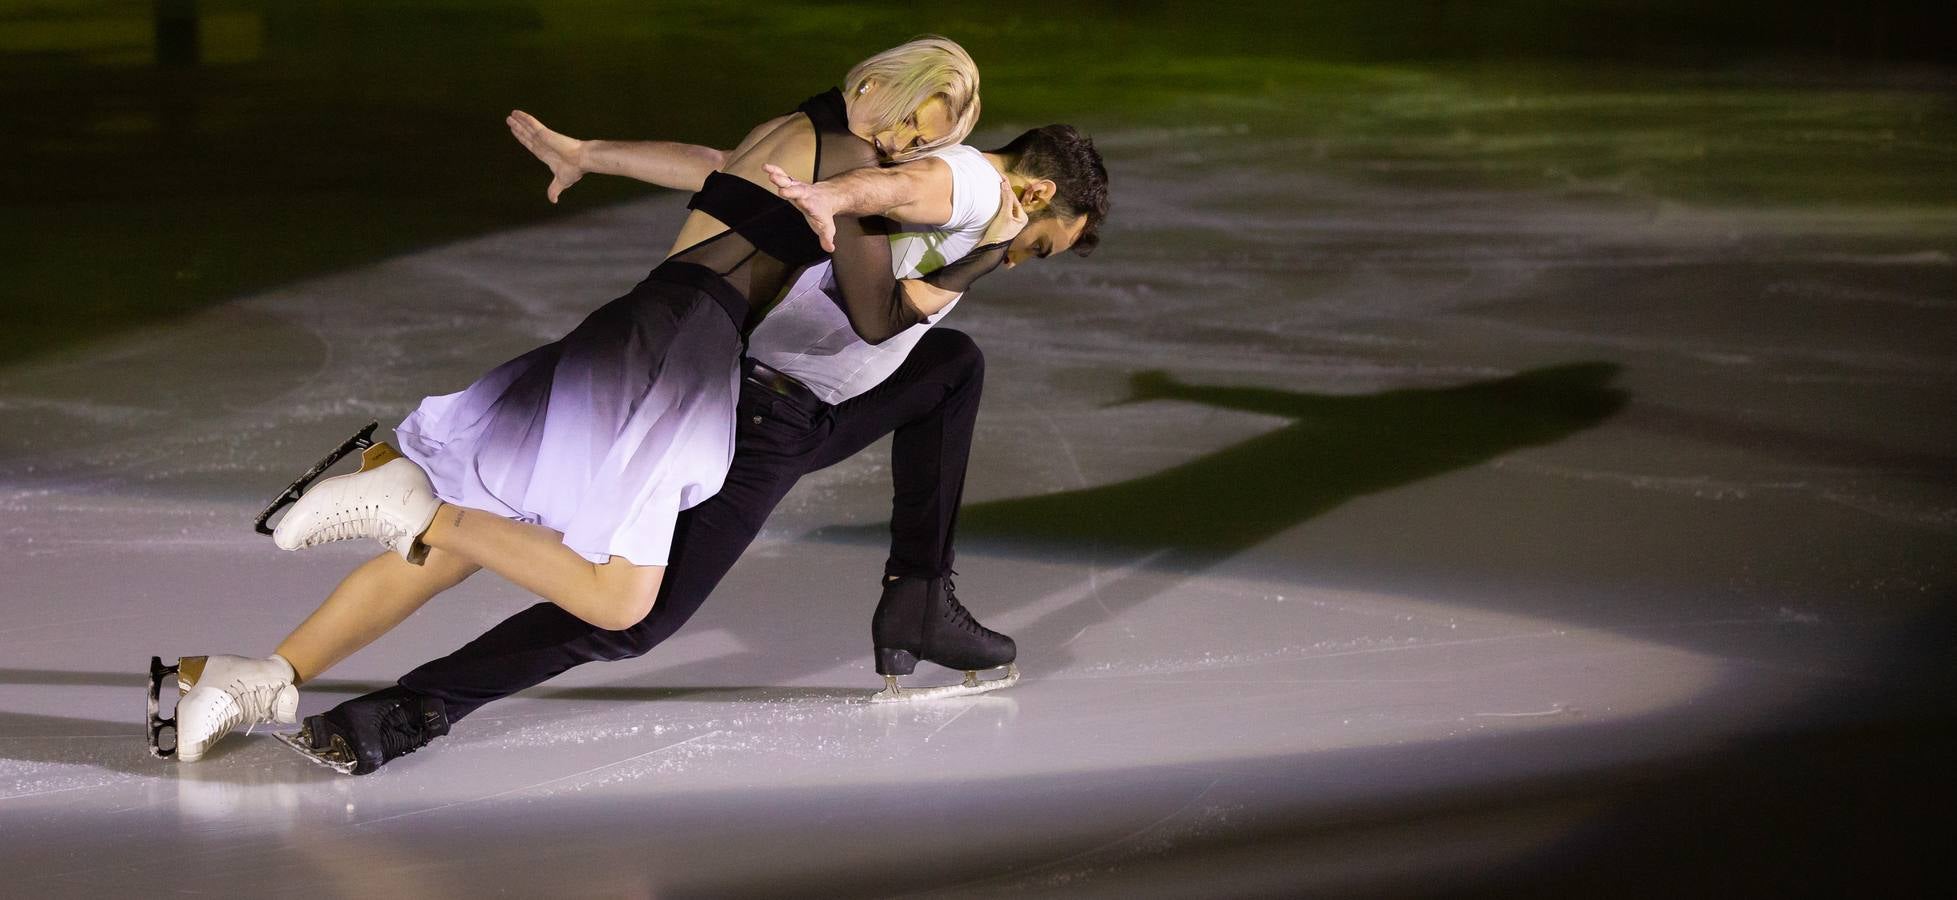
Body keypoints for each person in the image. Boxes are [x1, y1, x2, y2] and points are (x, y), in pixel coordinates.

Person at [157, 36, 991, 765]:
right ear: (876, 82)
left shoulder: (796, 129)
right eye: (907, 120)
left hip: (644, 323)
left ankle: (260, 677)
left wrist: (590, 151)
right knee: (614, 598)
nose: (898, 146)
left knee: (474, 543)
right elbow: (878, 316)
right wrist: (988, 258)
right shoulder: (849, 166)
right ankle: (407, 500)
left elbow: (707, 166)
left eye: (922, 142)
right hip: (682, 350)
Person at [275, 123, 1110, 774]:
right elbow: (882, 284)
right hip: (757, 419)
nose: (1026, 259)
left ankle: (918, 597)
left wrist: (595, 151)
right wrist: (993, 251)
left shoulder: (931, 176)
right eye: (1042, 245)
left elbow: (730, 165)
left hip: (804, 405)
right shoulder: (956, 188)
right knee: (631, 617)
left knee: (952, 366)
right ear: (1034, 191)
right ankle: (406, 710)